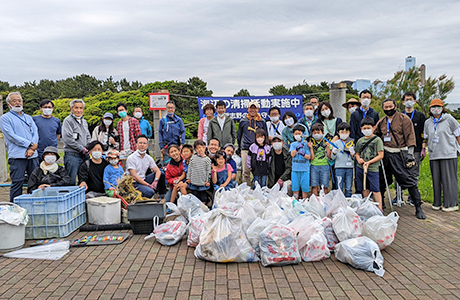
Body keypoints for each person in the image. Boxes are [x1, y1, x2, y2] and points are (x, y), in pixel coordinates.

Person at [374, 98, 426, 219]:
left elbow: (410, 136)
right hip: (385, 153)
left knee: (409, 180)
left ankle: (418, 206)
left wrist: (410, 153)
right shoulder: (382, 121)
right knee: (382, 179)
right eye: (385, 107)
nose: (388, 109)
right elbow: (375, 134)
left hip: (399, 153)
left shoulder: (404, 119)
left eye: (390, 107)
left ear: (395, 106)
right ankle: (381, 203)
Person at [0, 92, 39, 201]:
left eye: (19, 100)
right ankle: (15, 208)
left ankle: (33, 205)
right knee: (18, 182)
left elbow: (35, 132)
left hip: (33, 155)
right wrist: (29, 145)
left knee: (34, 182)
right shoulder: (5, 118)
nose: (18, 103)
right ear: (8, 104)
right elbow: (11, 136)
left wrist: (32, 148)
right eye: (14, 101)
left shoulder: (28, 117)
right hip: (18, 156)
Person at [424, 99, 460, 212]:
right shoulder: (427, 122)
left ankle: (451, 204)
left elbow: (458, 134)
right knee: (436, 180)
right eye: (433, 107)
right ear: (430, 108)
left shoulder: (449, 119)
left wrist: (456, 146)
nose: (436, 109)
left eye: (438, 106)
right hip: (434, 154)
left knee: (449, 180)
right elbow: (425, 137)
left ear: (442, 108)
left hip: (448, 153)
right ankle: (437, 203)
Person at [399, 91, 426, 204]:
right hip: (402, 149)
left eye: (411, 99)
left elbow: (424, 133)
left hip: (416, 148)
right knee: (400, 172)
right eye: (406, 99)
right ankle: (398, 196)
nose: (408, 101)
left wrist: (423, 148)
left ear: (415, 101)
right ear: (403, 102)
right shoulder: (399, 115)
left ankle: (412, 197)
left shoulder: (420, 116)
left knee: (414, 173)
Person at [355, 118, 384, 210]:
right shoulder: (360, 141)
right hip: (361, 168)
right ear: (361, 129)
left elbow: (380, 155)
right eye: (364, 128)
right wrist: (359, 159)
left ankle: (380, 209)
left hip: (372, 169)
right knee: (364, 188)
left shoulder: (377, 140)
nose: (366, 130)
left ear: (373, 128)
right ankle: (366, 207)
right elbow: (357, 153)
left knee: (375, 189)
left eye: (368, 128)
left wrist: (369, 162)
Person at [237, 100, 268, 186]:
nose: (253, 110)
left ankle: (259, 188)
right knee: (246, 171)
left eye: (255, 108)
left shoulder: (262, 121)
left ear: (258, 109)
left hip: (259, 149)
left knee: (259, 171)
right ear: (248, 109)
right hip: (246, 149)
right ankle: (246, 189)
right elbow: (239, 136)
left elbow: (266, 135)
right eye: (251, 108)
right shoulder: (243, 121)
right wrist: (239, 149)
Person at [62, 99, 91, 186]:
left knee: (85, 178)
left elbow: (88, 136)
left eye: (81, 108)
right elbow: (68, 139)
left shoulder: (84, 122)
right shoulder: (68, 121)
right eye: (76, 108)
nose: (79, 110)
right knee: (71, 180)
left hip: (84, 155)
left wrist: (89, 147)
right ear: (71, 109)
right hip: (72, 155)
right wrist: (82, 148)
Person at [329, 122, 355, 197]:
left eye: (346, 132)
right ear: (338, 133)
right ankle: (339, 202)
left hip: (349, 167)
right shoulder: (336, 143)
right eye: (342, 132)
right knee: (339, 186)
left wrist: (353, 153)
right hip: (339, 167)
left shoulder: (351, 142)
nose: (344, 133)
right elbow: (332, 158)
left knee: (348, 186)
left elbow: (354, 157)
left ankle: (348, 200)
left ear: (349, 132)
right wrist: (333, 152)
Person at [289, 127, 313, 199]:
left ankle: (304, 202)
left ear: (303, 134)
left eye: (299, 134)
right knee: (295, 187)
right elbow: (292, 154)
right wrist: (297, 149)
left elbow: (309, 157)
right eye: (296, 134)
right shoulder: (293, 144)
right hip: (295, 170)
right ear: (293, 134)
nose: (297, 135)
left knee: (305, 188)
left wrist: (303, 154)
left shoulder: (306, 144)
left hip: (305, 170)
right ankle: (295, 202)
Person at [187, 140, 212, 205]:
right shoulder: (193, 158)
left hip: (202, 181)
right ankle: (195, 206)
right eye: (197, 148)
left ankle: (203, 206)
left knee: (203, 195)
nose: (199, 149)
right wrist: (188, 178)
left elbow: (208, 171)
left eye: (200, 147)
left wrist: (208, 181)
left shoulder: (207, 159)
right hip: (194, 180)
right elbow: (190, 168)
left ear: (204, 147)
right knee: (194, 194)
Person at [310, 123, 330, 196]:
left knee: (325, 186)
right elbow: (312, 158)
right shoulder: (312, 143)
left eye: (318, 133)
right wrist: (311, 148)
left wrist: (328, 147)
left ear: (323, 133)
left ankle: (325, 202)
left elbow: (329, 156)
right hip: (314, 165)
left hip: (324, 165)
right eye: (314, 133)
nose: (316, 134)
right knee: (314, 186)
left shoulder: (326, 142)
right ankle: (315, 201)